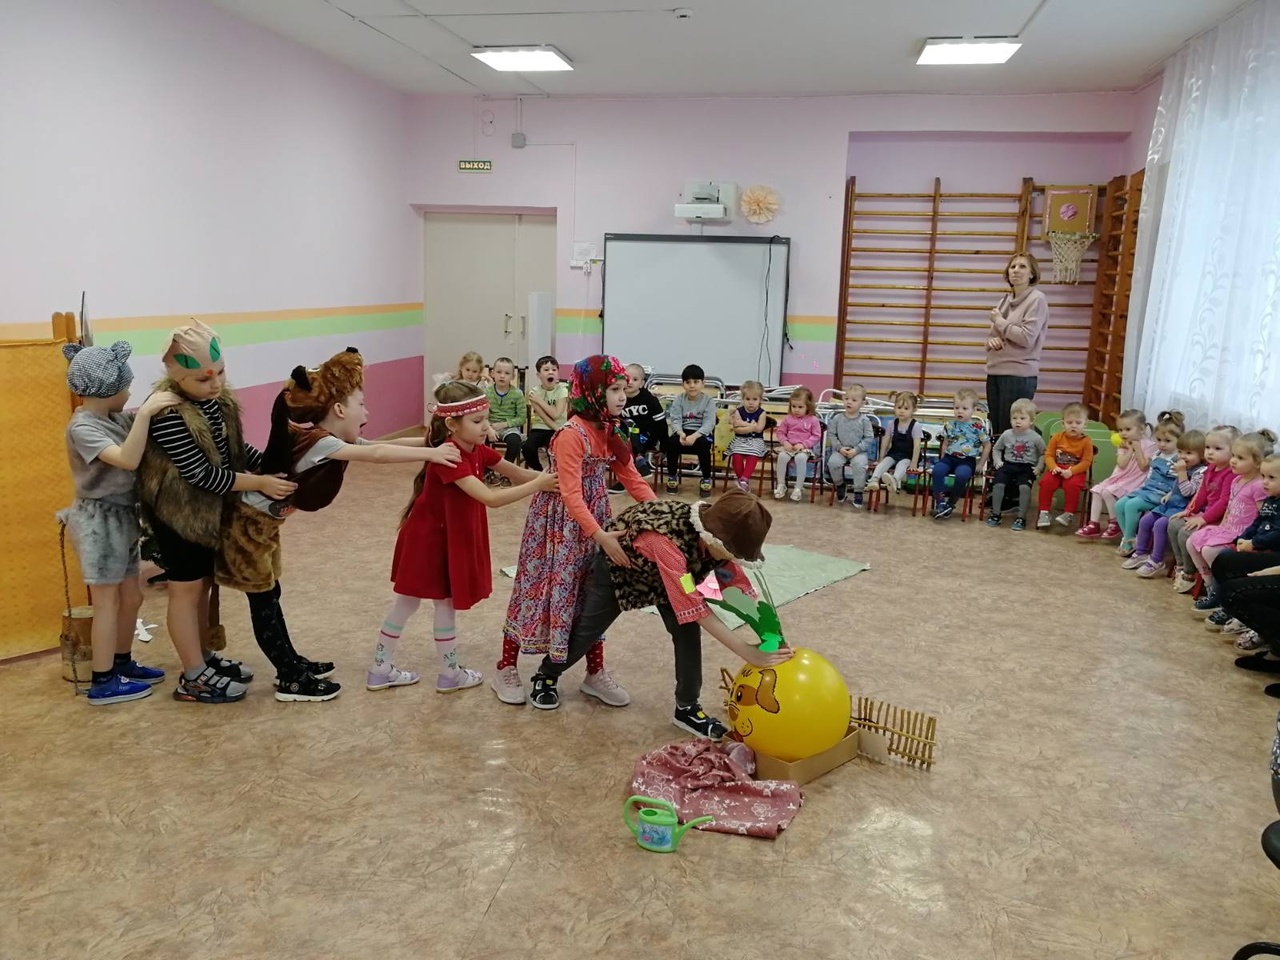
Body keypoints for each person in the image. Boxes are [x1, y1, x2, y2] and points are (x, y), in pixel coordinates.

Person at [221, 348, 464, 701]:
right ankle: (290, 678)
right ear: (338, 410)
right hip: (246, 526)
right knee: (264, 601)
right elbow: (377, 455)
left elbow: (384, 445)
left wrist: (433, 441)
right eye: (361, 404)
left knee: (270, 595)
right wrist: (432, 454)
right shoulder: (324, 443)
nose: (367, 412)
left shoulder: (331, 440)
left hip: (261, 525)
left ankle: (291, 663)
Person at [525, 491, 795, 739]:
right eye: (729, 552)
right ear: (711, 536)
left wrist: (773, 636)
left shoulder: (721, 543)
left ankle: (687, 708)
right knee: (587, 632)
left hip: (674, 580)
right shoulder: (667, 541)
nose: (730, 558)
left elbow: (739, 593)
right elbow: (694, 606)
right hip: (621, 573)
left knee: (688, 635)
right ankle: (547, 674)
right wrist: (746, 651)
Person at [138, 320, 296, 704]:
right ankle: (193, 676)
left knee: (204, 584)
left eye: (220, 373)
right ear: (177, 378)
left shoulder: (218, 401)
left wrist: (268, 467)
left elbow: (235, 452)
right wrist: (259, 483)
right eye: (202, 379)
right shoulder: (168, 413)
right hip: (179, 516)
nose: (215, 384)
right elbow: (201, 474)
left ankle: (204, 658)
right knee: (186, 590)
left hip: (209, 513)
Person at [370, 381, 557, 694]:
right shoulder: (451, 455)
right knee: (428, 604)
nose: (486, 426)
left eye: (486, 419)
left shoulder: (476, 448)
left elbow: (516, 472)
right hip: (428, 541)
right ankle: (445, 673)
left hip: (442, 537)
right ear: (452, 425)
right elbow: (490, 498)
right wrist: (539, 485)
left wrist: (550, 478)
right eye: (477, 421)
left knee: (421, 604)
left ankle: (384, 669)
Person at [499, 356, 656, 706]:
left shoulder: (611, 429)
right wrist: (600, 536)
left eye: (623, 388)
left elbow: (632, 479)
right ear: (593, 392)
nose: (622, 396)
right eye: (613, 389)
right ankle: (506, 666)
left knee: (591, 595)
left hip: (593, 519)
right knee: (539, 589)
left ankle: (594, 673)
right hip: (557, 524)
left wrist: (663, 515)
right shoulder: (572, 434)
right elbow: (570, 494)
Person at [57, 342, 177, 705]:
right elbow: (127, 458)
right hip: (99, 522)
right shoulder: (82, 427)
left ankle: (122, 662)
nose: (129, 393)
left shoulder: (114, 419)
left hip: (122, 518)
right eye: (126, 386)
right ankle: (103, 681)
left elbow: (143, 432)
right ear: (107, 388)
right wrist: (145, 413)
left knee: (131, 596)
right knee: (107, 603)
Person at [1189, 430, 1275, 624]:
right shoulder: (1236, 479)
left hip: (1242, 532)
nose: (1233, 461)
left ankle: (1220, 592)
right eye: (1234, 456)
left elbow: (1263, 516)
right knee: (1192, 541)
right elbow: (1229, 505)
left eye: (1240, 458)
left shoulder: (1259, 486)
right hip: (1228, 526)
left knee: (1210, 551)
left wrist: (1250, 538)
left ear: (1258, 462)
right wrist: (1221, 525)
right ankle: (1211, 585)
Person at [1166, 425, 1240, 593]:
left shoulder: (1230, 474)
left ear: (1233, 451)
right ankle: (1181, 565)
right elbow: (1202, 494)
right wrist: (1189, 510)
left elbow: (1224, 502)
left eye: (1217, 448)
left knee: (1186, 533)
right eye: (1207, 447)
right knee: (1174, 524)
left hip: (1220, 520)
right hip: (1207, 514)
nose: (1210, 452)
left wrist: (1204, 519)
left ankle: (1189, 574)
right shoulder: (1210, 468)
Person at [985, 251, 1050, 440]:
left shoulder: (1037, 299)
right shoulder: (1004, 300)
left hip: (1018, 375)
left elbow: (1027, 338)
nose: (1016, 270)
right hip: (996, 371)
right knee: (996, 430)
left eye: (1022, 266)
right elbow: (992, 336)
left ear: (1032, 273)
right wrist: (991, 342)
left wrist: (999, 321)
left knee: (1012, 432)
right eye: (1013, 266)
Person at [1124, 429, 1206, 578]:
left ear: (1201, 454)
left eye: (1189, 453)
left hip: (1184, 508)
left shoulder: (1201, 472)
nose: (1183, 456)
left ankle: (1157, 560)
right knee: (1145, 520)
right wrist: (1170, 494)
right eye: (1180, 452)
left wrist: (1181, 473)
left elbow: (1189, 492)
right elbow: (1177, 485)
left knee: (1160, 525)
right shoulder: (1184, 466)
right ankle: (1141, 553)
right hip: (1171, 503)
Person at [1075, 409, 1157, 541]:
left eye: (1128, 429)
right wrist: (1129, 449)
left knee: (1108, 492)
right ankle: (1093, 524)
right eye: (1120, 430)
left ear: (1141, 429)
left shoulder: (1150, 446)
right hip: (1120, 476)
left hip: (1135, 480)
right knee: (1097, 491)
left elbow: (1143, 466)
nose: (1123, 433)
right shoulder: (1123, 444)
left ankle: (1115, 523)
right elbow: (1122, 464)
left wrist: (1137, 448)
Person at [1114, 411, 1186, 556]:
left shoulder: (1179, 459)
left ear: (1179, 440)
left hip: (1163, 494)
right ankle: (1130, 538)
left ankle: (1128, 542)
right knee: (1119, 505)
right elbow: (1150, 472)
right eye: (1159, 440)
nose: (1162, 444)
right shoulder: (1157, 454)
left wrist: (1170, 494)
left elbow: (1179, 481)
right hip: (1149, 490)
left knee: (1131, 505)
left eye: (1167, 441)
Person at [985, 398, 1046, 531]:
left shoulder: (1036, 437)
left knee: (1024, 488)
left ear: (1031, 420)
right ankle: (996, 514)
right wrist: (997, 461)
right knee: (998, 484)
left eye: (1022, 418)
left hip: (1026, 467)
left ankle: (1021, 517)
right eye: (1014, 418)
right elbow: (997, 449)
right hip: (1008, 465)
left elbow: (1044, 453)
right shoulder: (1007, 434)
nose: (1018, 421)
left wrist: (1039, 467)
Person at [930, 388, 991, 520]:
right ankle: (940, 503)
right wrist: (942, 458)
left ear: (973, 409)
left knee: (962, 475)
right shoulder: (949, 425)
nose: (960, 411)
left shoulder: (978, 427)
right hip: (949, 458)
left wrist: (981, 464)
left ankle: (950, 504)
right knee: (937, 471)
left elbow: (987, 445)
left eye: (964, 408)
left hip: (967, 460)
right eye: (956, 407)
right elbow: (945, 443)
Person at [608, 362, 666, 494]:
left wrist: (664, 448)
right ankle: (639, 464)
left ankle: (627, 478)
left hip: (647, 437)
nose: (630, 382)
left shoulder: (650, 400)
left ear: (641, 383)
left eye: (635, 379)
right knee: (622, 429)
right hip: (624, 438)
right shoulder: (618, 398)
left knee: (629, 426)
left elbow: (661, 424)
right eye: (627, 378)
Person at [1035, 402, 1094, 528]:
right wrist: (1054, 467)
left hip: (1075, 472)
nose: (1073, 426)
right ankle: (1044, 512)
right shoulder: (1057, 437)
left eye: (1078, 423)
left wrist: (1072, 471)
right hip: (1057, 469)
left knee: (1072, 485)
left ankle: (1068, 513)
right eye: (1069, 422)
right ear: (1063, 424)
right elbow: (1048, 455)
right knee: (1046, 482)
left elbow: (1086, 462)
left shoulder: (1086, 442)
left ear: (1085, 424)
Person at [664, 364, 717, 494]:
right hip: (683, 432)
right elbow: (675, 419)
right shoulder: (679, 399)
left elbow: (709, 423)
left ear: (703, 383)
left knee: (704, 445)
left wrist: (695, 436)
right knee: (671, 443)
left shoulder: (708, 401)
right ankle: (672, 476)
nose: (692, 385)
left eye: (696, 382)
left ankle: (706, 478)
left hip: (700, 434)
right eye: (688, 382)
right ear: (683, 384)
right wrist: (680, 433)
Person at [826, 383, 877, 508]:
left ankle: (858, 491)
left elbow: (869, 438)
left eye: (854, 400)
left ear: (862, 403)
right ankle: (840, 485)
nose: (849, 402)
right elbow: (831, 434)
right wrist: (839, 448)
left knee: (859, 465)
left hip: (858, 452)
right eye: (846, 399)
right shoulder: (837, 418)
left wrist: (857, 450)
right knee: (833, 463)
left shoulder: (864, 420)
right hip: (841, 450)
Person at [772, 386, 822, 503]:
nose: (796, 410)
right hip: (789, 447)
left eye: (800, 407)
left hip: (804, 448)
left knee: (800, 458)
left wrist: (804, 444)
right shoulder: (788, 419)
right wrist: (785, 442)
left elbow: (816, 436)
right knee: (782, 457)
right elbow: (780, 433)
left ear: (808, 406)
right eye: (794, 406)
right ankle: (781, 485)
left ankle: (798, 488)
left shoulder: (813, 420)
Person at [870, 390, 923, 495]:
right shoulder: (892, 424)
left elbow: (917, 446)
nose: (902, 411)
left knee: (901, 464)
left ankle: (894, 480)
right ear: (894, 408)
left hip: (908, 456)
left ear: (913, 410)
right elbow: (885, 441)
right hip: (894, 453)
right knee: (885, 462)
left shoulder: (916, 426)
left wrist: (913, 463)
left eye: (906, 408)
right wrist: (881, 458)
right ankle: (874, 480)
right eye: (899, 407)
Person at [521, 355, 567, 470]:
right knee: (527, 448)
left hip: (558, 427)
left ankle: (553, 473)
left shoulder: (563, 390)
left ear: (558, 374)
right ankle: (539, 472)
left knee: (554, 448)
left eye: (554, 370)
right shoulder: (534, 392)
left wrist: (540, 401)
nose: (550, 372)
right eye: (546, 370)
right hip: (539, 427)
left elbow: (556, 414)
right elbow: (543, 416)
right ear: (539, 375)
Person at [727, 380, 769, 493]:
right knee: (736, 454)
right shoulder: (738, 411)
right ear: (743, 399)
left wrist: (743, 424)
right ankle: (742, 480)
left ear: (760, 400)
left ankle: (744, 479)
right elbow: (737, 429)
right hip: (740, 439)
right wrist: (751, 427)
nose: (751, 402)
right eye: (747, 399)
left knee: (753, 453)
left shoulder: (762, 413)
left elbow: (759, 429)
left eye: (754, 399)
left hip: (756, 440)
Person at [484, 356, 526, 464]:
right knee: (479, 438)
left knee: (514, 441)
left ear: (513, 376)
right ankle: (487, 469)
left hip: (509, 427)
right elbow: (482, 415)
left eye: (507, 373)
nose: (502, 376)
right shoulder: (486, 392)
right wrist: (489, 428)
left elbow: (521, 418)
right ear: (492, 373)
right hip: (490, 425)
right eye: (499, 372)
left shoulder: (517, 394)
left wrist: (504, 424)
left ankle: (507, 468)